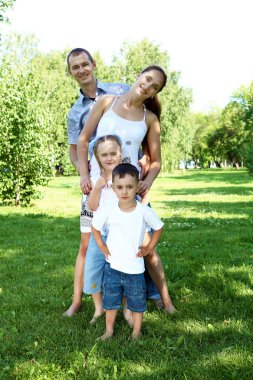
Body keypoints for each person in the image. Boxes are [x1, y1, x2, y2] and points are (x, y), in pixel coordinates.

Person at [77, 65, 175, 321]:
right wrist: (85, 174)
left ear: (155, 93)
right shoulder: (106, 102)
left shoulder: (149, 119)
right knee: (100, 247)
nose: (148, 86)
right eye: (148, 79)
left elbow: (156, 162)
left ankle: (166, 300)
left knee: (147, 248)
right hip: (103, 192)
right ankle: (109, 303)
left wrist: (148, 183)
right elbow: (84, 139)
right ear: (139, 75)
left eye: (155, 86)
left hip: (129, 193)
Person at [64, 47, 130, 317]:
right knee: (86, 244)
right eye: (75, 67)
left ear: (93, 64)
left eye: (84, 64)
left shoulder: (118, 90)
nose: (81, 70)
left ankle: (140, 296)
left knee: (128, 237)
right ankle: (78, 300)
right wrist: (83, 174)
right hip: (94, 184)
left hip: (125, 179)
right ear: (70, 73)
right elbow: (73, 149)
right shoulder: (75, 112)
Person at [92, 163, 164, 340]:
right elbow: (95, 227)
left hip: (135, 271)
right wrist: (102, 246)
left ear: (137, 186)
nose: (124, 191)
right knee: (110, 303)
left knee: (137, 304)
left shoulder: (143, 211)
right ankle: (109, 331)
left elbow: (159, 227)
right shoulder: (109, 210)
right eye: (120, 187)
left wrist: (149, 247)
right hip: (113, 268)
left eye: (130, 187)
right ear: (113, 188)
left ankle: (136, 332)